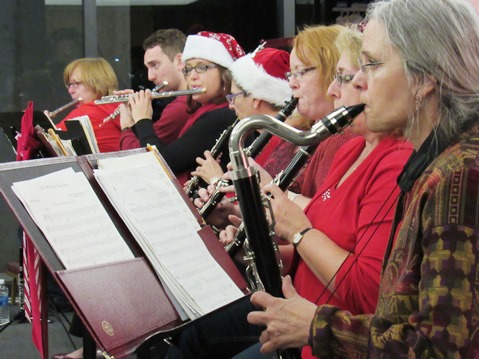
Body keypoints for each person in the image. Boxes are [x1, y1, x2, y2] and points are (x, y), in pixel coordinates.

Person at [247, 0, 479, 358]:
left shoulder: (460, 173)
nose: (356, 81)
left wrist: (317, 327)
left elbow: (440, 349)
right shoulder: (440, 161)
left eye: (371, 64)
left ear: (426, 76)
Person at [168, 25, 413, 359]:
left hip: (329, 335)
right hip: (301, 313)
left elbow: (364, 289)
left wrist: (296, 229)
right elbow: (312, 250)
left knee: (195, 337)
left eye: (344, 76)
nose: (334, 91)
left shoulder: (393, 159)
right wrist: (256, 245)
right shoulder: (349, 150)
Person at [121, 31, 244, 185]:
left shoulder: (222, 116)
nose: (192, 76)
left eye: (202, 67)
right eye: (188, 69)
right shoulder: (204, 111)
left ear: (225, 72)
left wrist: (142, 120)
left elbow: (160, 164)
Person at [120, 28, 191, 148]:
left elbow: (142, 153)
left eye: (155, 65)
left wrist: (127, 125)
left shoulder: (182, 107)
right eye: (148, 68)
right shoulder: (182, 102)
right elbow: (147, 138)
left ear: (179, 62)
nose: (150, 77)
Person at [52, 57, 121, 153]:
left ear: (97, 83)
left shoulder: (88, 112)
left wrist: (44, 123)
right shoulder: (120, 106)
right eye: (69, 85)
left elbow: (50, 140)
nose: (70, 90)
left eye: (76, 83)